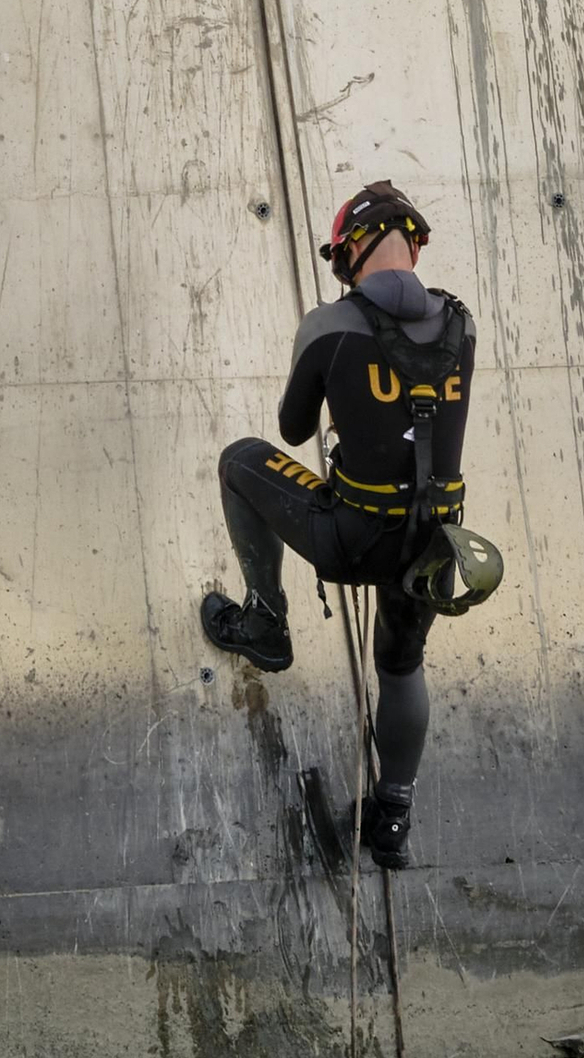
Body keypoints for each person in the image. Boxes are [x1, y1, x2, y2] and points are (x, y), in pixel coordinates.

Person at [202, 181, 481, 867]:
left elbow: (294, 431)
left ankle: (266, 624)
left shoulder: (331, 324)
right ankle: (392, 819)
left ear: (351, 255)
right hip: (433, 550)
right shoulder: (462, 323)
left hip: (352, 536)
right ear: (411, 241)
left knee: (240, 462)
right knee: (401, 663)